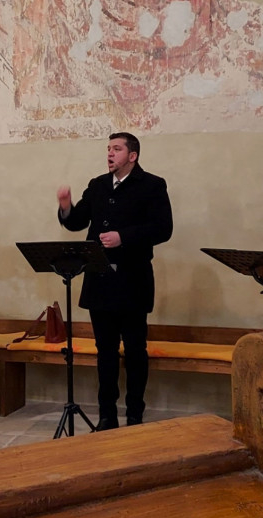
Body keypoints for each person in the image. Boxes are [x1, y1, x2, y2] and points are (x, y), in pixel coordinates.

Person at [57, 132, 173, 430]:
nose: (110, 153)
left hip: (133, 280)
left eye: (117, 149)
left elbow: (163, 228)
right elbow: (77, 221)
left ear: (132, 155)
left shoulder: (152, 185)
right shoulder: (97, 185)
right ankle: (106, 414)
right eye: (108, 148)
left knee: (135, 350)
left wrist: (124, 237)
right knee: (105, 351)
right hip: (100, 280)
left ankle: (134, 412)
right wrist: (66, 206)